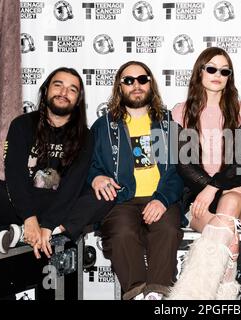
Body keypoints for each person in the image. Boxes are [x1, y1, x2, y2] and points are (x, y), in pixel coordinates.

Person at [0, 67, 112, 259]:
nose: (64, 93)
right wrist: (29, 218)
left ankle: (36, 233)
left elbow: (72, 186)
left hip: (59, 209)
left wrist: (48, 226)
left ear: (78, 99)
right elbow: (15, 176)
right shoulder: (22, 125)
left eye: (72, 89)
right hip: (18, 205)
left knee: (108, 193)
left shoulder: (85, 136)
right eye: (58, 85)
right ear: (46, 89)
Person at [88, 61, 183, 300]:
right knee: (121, 232)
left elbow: (178, 170)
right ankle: (138, 292)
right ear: (120, 87)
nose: (136, 85)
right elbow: (87, 165)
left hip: (161, 198)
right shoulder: (104, 126)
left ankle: (157, 294)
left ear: (151, 84)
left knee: (168, 229)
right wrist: (96, 177)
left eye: (142, 79)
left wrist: (161, 199)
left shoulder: (167, 123)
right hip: (121, 199)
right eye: (128, 81)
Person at [168, 47, 241, 300]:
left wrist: (213, 188)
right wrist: (208, 188)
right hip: (195, 197)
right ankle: (225, 296)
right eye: (211, 68)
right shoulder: (180, 112)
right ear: (200, 71)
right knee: (228, 238)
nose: (218, 74)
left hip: (234, 195)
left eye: (224, 70)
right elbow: (183, 165)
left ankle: (190, 296)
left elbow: (240, 164)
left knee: (227, 205)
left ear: (229, 77)